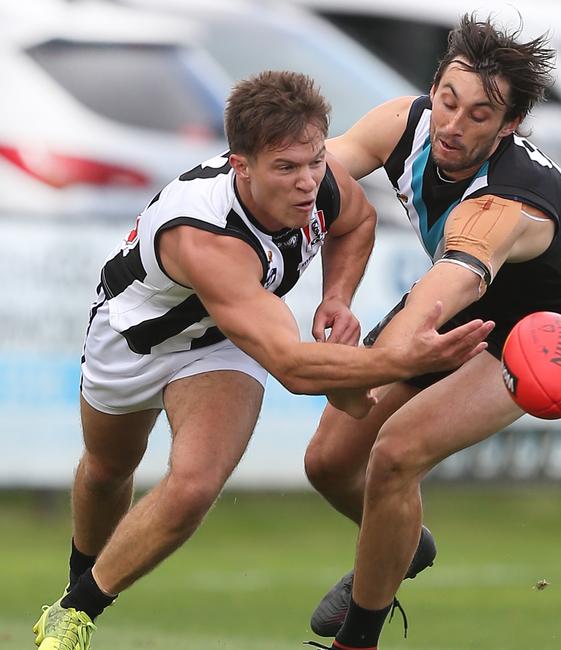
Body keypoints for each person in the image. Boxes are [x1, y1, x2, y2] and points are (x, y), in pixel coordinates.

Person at [32, 70, 493, 650]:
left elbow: (357, 222)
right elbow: (295, 368)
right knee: (106, 470)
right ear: (241, 165)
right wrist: (401, 360)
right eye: (286, 169)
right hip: (134, 339)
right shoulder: (205, 234)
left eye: (315, 161)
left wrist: (337, 297)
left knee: (195, 483)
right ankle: (81, 581)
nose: (307, 183)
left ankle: (73, 614)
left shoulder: (322, 184)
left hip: (225, 342)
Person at [303, 14, 561, 650]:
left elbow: (436, 301)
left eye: (479, 115)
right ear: (434, 89)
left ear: (509, 126)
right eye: (448, 100)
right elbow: (313, 175)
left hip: (546, 327)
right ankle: (401, 546)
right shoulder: (404, 123)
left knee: (395, 455)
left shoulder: (502, 205)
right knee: (329, 463)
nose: (453, 124)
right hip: (464, 294)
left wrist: (362, 371)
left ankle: (357, 640)